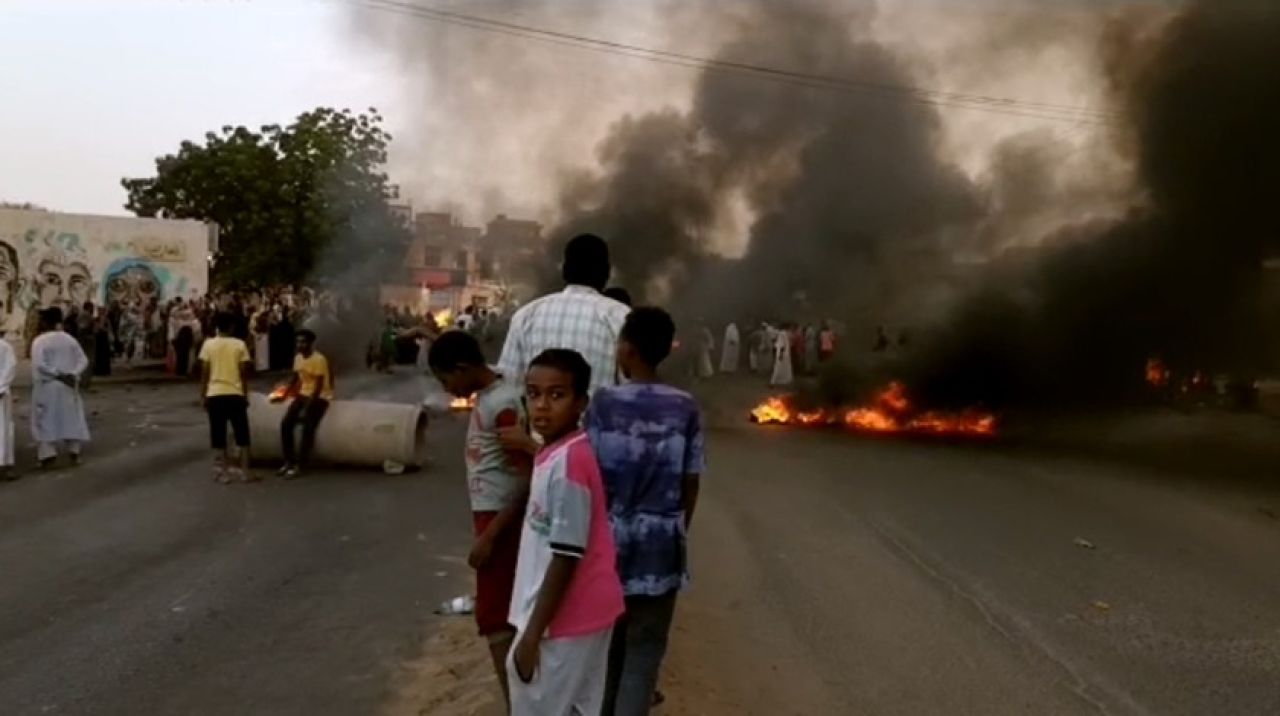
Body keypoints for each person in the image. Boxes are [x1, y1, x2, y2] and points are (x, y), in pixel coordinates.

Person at [586, 308, 703, 716]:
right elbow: (691, 481)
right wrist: (675, 530)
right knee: (644, 652)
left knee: (607, 652)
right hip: (661, 545)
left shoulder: (603, 403)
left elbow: (590, 475)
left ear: (629, 350)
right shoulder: (685, 407)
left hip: (609, 542)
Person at [508, 349, 624, 715]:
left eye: (556, 395)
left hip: (566, 618)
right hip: (575, 613)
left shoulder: (571, 461)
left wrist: (532, 635)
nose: (542, 406)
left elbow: (566, 555)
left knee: (540, 705)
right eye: (533, 393)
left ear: (580, 403)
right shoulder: (553, 453)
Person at [427, 330, 532, 708]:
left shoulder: (502, 405)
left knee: (495, 618)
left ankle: (517, 705)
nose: (446, 388)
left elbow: (527, 474)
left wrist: (490, 537)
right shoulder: (497, 385)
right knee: (500, 612)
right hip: (495, 518)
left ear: (462, 368)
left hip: (503, 522)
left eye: (445, 379)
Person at [498, 233, 630, 397]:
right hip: (599, 422)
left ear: (564, 270)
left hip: (538, 422)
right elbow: (630, 392)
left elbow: (509, 387)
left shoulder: (525, 316)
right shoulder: (621, 317)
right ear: (606, 272)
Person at [30, 308, 90, 467]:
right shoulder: (69, 339)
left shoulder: (39, 341)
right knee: (71, 418)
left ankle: (47, 455)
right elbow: (83, 360)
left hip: (48, 385)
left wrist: (57, 374)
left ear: (45, 322)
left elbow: (40, 365)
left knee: (46, 419)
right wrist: (73, 374)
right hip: (69, 385)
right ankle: (74, 452)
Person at [199, 312, 254, 483]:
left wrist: (203, 394)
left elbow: (205, 372)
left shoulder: (208, 345)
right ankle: (245, 472)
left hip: (215, 394)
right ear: (231, 327)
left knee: (218, 434)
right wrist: (245, 394)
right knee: (242, 434)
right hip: (235, 393)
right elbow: (244, 373)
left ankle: (223, 473)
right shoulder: (239, 344)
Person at [279, 329, 333, 479]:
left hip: (320, 397)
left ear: (310, 343)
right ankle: (288, 461)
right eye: (298, 342)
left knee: (308, 427)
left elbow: (319, 386)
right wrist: (283, 394)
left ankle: (301, 465)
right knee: (285, 424)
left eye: (303, 342)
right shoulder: (298, 358)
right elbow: (295, 378)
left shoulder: (319, 359)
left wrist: (307, 407)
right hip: (303, 394)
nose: (299, 345)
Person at [0, 333, 16, 480]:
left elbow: (10, 369)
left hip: (1, 394)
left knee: (3, 430)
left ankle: (4, 464)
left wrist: (1, 388)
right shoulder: (5, 347)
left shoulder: (4, 347)